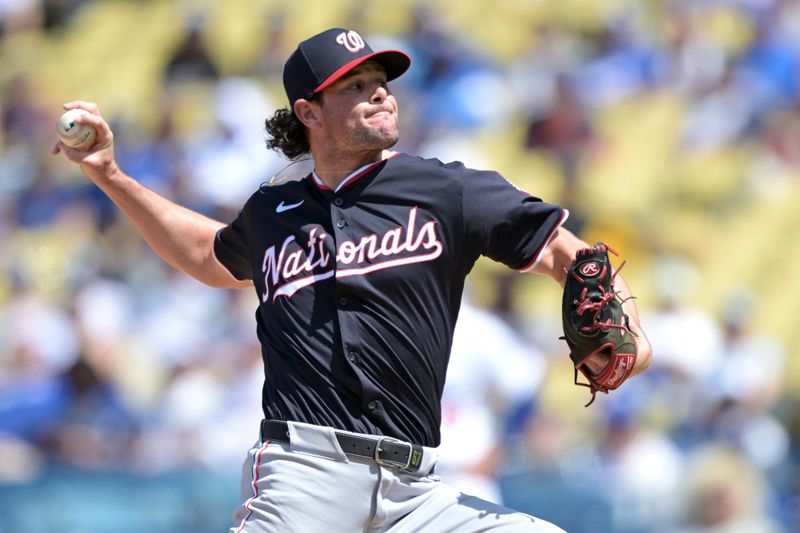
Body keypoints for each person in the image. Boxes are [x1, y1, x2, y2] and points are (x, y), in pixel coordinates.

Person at [54, 27, 652, 533]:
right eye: (356, 86)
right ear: (309, 112)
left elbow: (566, 251)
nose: (380, 96)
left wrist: (631, 327)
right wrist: (110, 175)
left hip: (417, 492)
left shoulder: (447, 190)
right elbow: (211, 257)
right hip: (302, 474)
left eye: (381, 83)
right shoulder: (273, 210)